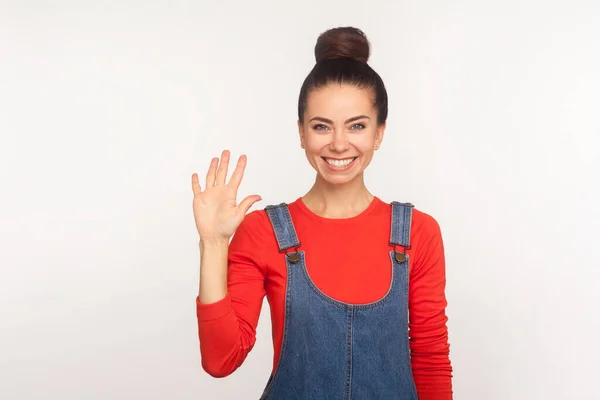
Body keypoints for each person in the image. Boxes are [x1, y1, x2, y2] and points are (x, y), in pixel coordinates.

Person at [191, 27, 453, 400]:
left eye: (357, 126)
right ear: (301, 133)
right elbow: (221, 360)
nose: (339, 143)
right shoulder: (263, 232)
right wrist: (214, 244)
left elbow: (430, 359)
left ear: (379, 133)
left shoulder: (418, 234)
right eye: (321, 127)